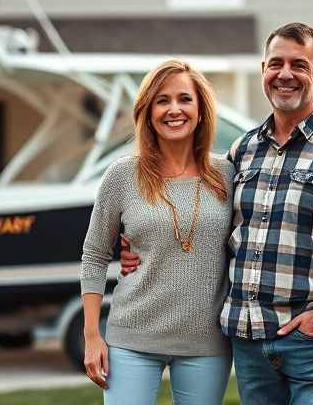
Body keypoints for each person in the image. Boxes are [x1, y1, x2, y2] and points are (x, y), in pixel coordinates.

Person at [121, 22, 313, 404]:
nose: (285, 74)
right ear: (263, 70)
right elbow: (210, 228)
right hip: (249, 344)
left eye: (299, 65)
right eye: (276, 64)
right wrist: (138, 244)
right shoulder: (243, 151)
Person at [79, 59, 234, 405]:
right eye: (162, 101)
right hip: (132, 339)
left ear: (201, 109)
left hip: (206, 342)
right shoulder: (121, 176)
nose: (173, 109)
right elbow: (93, 256)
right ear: (147, 112)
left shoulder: (228, 174)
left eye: (184, 99)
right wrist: (92, 335)